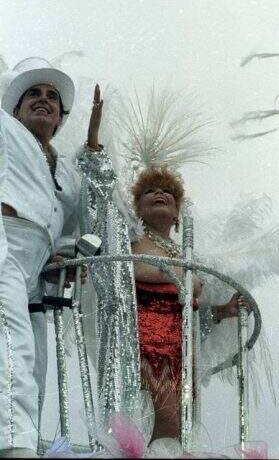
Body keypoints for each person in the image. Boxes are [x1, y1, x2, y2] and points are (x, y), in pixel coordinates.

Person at [77, 85, 251, 445]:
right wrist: (94, 143)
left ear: (177, 213)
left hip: (179, 355)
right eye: (149, 193)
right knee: (142, 431)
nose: (160, 195)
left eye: (168, 194)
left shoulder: (189, 258)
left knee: (176, 435)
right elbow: (99, 202)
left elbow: (194, 319)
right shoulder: (128, 244)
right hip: (136, 350)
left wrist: (222, 311)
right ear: (138, 207)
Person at [0, 56, 85, 458]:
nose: (43, 100)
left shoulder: (67, 171)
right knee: (10, 341)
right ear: (13, 108)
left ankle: (25, 441)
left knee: (34, 360)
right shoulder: (5, 132)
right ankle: (13, 446)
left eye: (52, 96)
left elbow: (76, 224)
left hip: (35, 267)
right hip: (5, 243)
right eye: (32, 93)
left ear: (61, 116)